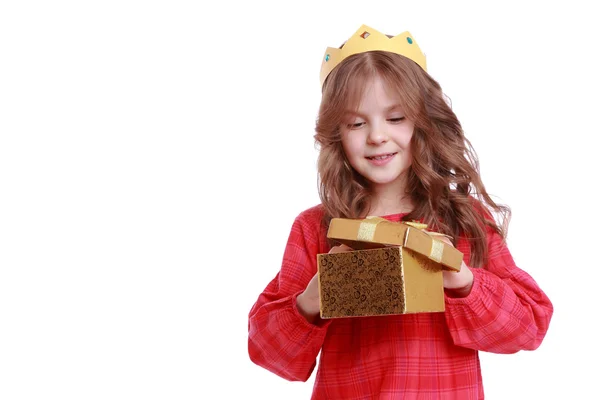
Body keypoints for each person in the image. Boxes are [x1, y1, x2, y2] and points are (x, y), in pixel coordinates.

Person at [247, 24, 553, 399]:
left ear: (423, 121)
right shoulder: (315, 228)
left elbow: (530, 326)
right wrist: (313, 298)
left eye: (395, 118)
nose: (377, 136)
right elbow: (269, 353)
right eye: (357, 123)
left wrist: (463, 281)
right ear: (335, 134)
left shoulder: (461, 219)